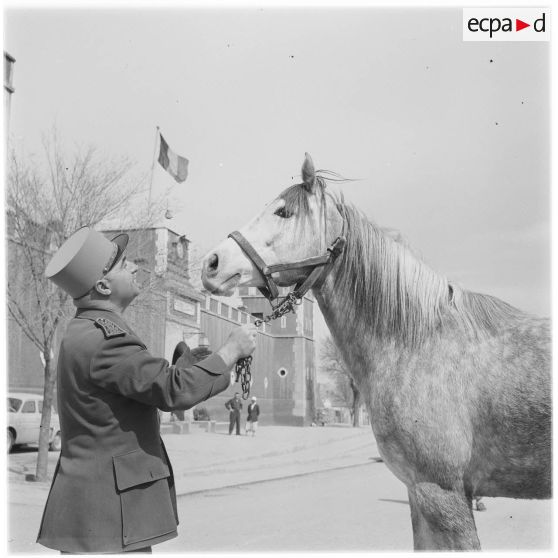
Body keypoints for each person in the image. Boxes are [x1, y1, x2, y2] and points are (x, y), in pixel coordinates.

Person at [36, 227, 257, 554]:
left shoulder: (85, 331)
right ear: (102, 285)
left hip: (94, 514)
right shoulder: (105, 339)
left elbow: (143, 387)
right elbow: (173, 392)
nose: (136, 267)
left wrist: (203, 371)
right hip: (110, 518)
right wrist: (230, 351)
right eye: (124, 265)